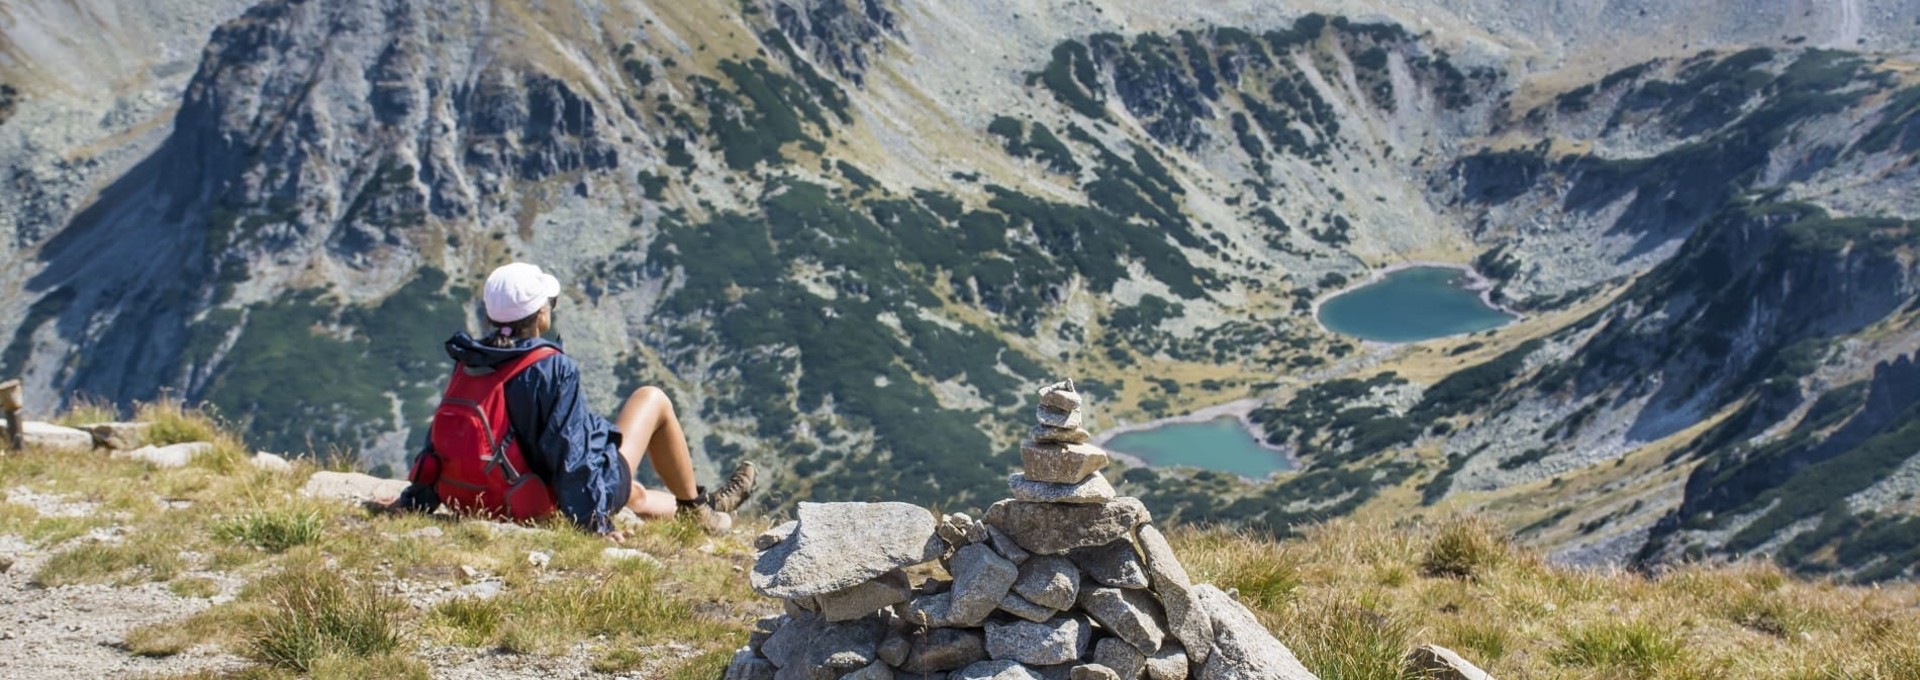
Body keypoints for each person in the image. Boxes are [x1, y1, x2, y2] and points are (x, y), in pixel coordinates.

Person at [386, 262, 755, 537]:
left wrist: (414, 500)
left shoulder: (469, 358)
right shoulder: (552, 367)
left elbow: (442, 439)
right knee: (652, 398)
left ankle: (705, 508)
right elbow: (571, 456)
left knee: (635, 494)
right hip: (530, 499)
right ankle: (698, 509)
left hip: (484, 491)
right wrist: (596, 526)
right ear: (542, 314)